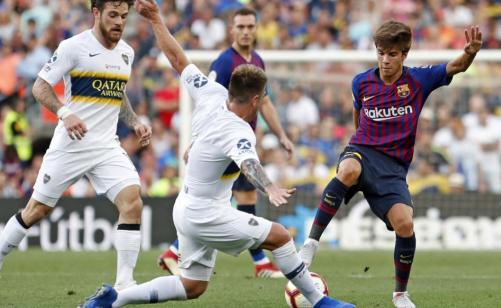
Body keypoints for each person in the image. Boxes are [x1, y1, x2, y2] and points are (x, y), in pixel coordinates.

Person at [81, 1, 354, 307]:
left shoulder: (210, 92)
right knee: (280, 236)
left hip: (185, 205)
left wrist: (157, 19)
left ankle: (113, 300)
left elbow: (177, 59)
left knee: (193, 286)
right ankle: (320, 302)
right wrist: (270, 187)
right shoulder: (239, 130)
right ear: (255, 100)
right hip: (206, 213)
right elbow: (248, 164)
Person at [298, 20, 482, 308]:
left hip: (393, 170)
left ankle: (400, 294)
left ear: (404, 55)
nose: (385, 60)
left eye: (392, 54)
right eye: (381, 53)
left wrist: (470, 53)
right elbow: (358, 120)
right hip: (362, 151)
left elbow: (455, 66)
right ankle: (311, 244)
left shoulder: (419, 81)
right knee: (348, 170)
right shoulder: (360, 82)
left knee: (405, 224)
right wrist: (356, 147)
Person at [0, 0, 152, 292]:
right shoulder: (73, 47)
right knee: (36, 211)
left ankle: (124, 283)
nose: (119, 22)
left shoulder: (126, 53)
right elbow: (40, 87)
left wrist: (134, 122)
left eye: (124, 16)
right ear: (96, 13)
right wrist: (65, 113)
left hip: (106, 146)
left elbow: (117, 92)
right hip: (71, 144)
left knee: (132, 200)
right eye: (113, 15)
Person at [157, 7, 294, 279]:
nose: (245, 31)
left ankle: (175, 251)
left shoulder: (257, 61)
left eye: (250, 26)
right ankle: (260, 262)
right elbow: (211, 105)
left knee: (231, 201)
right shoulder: (223, 63)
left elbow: (264, 103)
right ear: (232, 30)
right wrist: (196, 142)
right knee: (241, 198)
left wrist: (281, 135)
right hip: (226, 145)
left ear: (256, 29)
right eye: (240, 27)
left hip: (242, 143)